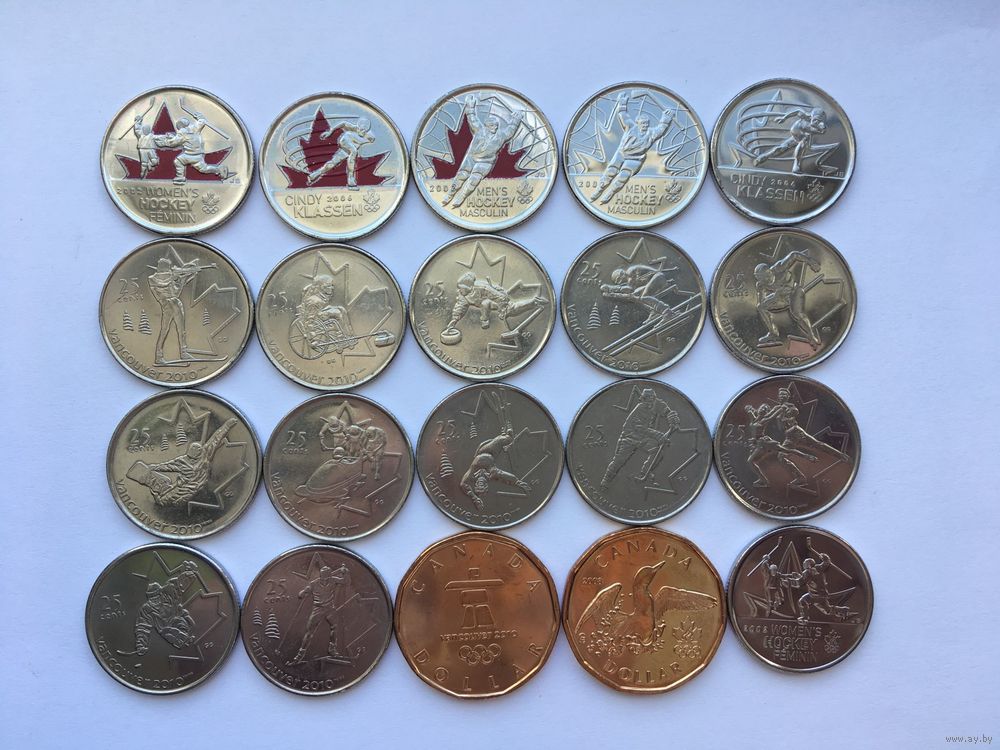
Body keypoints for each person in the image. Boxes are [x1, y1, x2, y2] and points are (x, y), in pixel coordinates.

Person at [129, 418, 238, 507]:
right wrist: (153, 467)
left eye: (197, 450)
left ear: (200, 451)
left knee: (175, 501)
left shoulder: (205, 454)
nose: (195, 451)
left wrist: (227, 426)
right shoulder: (182, 461)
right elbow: (167, 466)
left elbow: (215, 439)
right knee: (165, 501)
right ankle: (161, 498)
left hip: (202, 488)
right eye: (192, 449)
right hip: (184, 488)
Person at [590, 91, 673, 204]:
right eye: (642, 123)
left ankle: (611, 193)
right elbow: (623, 115)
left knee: (623, 177)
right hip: (621, 154)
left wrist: (666, 119)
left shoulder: (651, 133)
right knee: (610, 172)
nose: (645, 125)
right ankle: (599, 189)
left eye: (646, 123)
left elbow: (661, 129)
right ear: (637, 123)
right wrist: (622, 103)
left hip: (636, 159)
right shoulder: (630, 127)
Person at [442, 95, 524, 208]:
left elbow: (510, 130)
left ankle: (461, 197)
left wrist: (516, 120)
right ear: (486, 125)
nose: (495, 128)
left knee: (474, 179)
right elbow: (472, 119)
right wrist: (470, 106)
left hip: (486, 162)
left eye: (496, 126)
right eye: (492, 125)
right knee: (462, 175)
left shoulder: (501, 136)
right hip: (471, 158)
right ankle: (450, 195)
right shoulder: (479, 130)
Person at [601, 388, 680, 486]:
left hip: (643, 438)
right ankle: (605, 481)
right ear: (643, 399)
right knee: (618, 461)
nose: (649, 402)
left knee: (657, 452)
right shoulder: (639, 409)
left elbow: (668, 412)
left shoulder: (658, 403)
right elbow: (640, 428)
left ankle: (645, 474)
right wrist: (659, 436)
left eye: (651, 399)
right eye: (646, 399)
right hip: (629, 437)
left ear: (654, 398)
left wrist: (673, 418)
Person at [441, 272, 546, 341]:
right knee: (485, 303)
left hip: (497, 299)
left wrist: (503, 310)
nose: (459, 290)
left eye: (461, 287)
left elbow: (501, 297)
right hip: (485, 303)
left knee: (511, 310)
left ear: (469, 287)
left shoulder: (482, 287)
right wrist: (454, 320)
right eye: (459, 288)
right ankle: (485, 319)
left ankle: (534, 301)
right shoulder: (463, 294)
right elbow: (460, 307)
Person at [753, 249, 823, 348]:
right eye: (761, 279)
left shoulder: (778, 268)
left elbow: (794, 255)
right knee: (761, 307)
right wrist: (776, 296)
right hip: (781, 297)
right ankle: (773, 333)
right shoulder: (760, 285)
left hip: (795, 292)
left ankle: (811, 336)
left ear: (769, 271)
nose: (765, 281)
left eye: (766, 277)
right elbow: (762, 302)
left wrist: (811, 261)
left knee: (797, 314)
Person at [288, 564, 351, 665]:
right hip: (318, 609)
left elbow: (345, 582)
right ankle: (300, 655)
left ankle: (332, 649)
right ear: (321, 576)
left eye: (327, 578)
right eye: (324, 578)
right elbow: (301, 594)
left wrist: (346, 572)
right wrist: (304, 592)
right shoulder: (314, 583)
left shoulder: (333, 580)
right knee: (309, 632)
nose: (326, 580)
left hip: (329, 608)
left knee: (335, 627)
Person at [148, 256, 204, 364]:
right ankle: (160, 356)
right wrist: (174, 278)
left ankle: (183, 353)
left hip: (175, 304)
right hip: (168, 305)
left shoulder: (169, 277)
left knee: (180, 330)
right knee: (165, 330)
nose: (170, 269)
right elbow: (163, 286)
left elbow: (175, 293)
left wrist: (183, 279)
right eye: (168, 267)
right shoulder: (153, 278)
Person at [134, 561, 199, 654]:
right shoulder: (147, 609)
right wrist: (141, 644)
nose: (155, 601)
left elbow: (177, 584)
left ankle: (185, 636)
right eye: (152, 599)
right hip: (164, 627)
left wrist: (188, 573)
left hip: (176, 618)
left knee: (181, 623)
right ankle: (181, 641)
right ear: (149, 598)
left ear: (160, 594)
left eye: (157, 598)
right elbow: (142, 627)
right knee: (168, 632)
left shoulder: (169, 593)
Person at [155, 110, 231, 184]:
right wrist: (199, 117)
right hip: (198, 155)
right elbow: (201, 122)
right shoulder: (194, 128)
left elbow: (173, 143)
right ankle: (219, 169)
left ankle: (180, 177)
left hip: (189, 155)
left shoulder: (182, 132)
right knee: (204, 169)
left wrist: (161, 143)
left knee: (178, 161)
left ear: (180, 126)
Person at [459, 429, 529, 509]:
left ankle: (506, 435)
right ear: (486, 484)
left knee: (506, 439)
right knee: (507, 439)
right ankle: (507, 435)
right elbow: (505, 475)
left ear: (476, 484)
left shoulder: (473, 473)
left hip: (482, 452)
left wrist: (474, 498)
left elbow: (462, 484)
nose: (480, 484)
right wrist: (519, 483)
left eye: (478, 486)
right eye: (482, 486)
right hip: (491, 452)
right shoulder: (491, 474)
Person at [753, 107, 827, 174]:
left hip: (802, 137)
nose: (816, 122)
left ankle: (796, 166)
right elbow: (796, 111)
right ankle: (762, 158)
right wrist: (784, 118)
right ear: (811, 116)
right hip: (796, 133)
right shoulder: (805, 116)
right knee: (780, 149)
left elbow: (822, 131)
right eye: (815, 119)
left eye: (818, 121)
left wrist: (820, 128)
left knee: (803, 142)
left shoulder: (820, 127)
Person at [306, 118, 375, 187]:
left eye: (364, 129)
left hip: (348, 149)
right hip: (345, 141)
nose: (361, 130)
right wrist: (330, 131)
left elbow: (369, 147)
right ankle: (350, 177)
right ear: (358, 125)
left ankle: (314, 175)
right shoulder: (354, 128)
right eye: (360, 127)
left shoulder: (369, 137)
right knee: (354, 151)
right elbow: (343, 123)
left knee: (333, 162)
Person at [600, 263, 675, 320]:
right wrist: (612, 292)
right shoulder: (629, 278)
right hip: (652, 281)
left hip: (659, 277)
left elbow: (630, 289)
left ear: (622, 274)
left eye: (619, 280)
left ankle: (667, 311)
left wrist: (611, 289)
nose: (621, 282)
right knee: (637, 297)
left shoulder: (631, 272)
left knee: (644, 296)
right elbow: (633, 290)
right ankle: (653, 311)